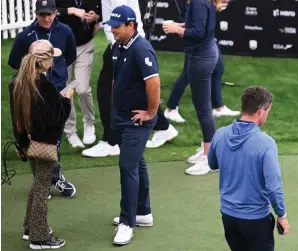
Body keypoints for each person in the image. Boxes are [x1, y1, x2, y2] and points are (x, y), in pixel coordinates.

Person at [81, 0, 178, 156]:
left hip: (125, 43)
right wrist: (98, 18)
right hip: (120, 42)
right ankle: (163, 127)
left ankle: (112, 141)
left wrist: (117, 47)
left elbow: (123, 20)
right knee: (129, 89)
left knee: (108, 90)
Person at [103, 5, 160, 245]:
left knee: (127, 166)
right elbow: (118, 77)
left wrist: (151, 112)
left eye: (117, 26)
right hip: (124, 116)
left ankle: (128, 222)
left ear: (131, 25)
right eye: (111, 26)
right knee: (137, 162)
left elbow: (154, 83)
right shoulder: (119, 46)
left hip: (137, 120)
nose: (112, 30)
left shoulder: (141, 49)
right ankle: (143, 212)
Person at [8, 0, 77, 198]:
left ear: (55, 12)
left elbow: (69, 56)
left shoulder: (65, 31)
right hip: (34, 92)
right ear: (36, 14)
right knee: (36, 135)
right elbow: (14, 62)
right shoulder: (26, 36)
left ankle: (51, 177)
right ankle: (44, 181)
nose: (45, 18)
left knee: (54, 134)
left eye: (49, 14)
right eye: (41, 14)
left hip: (56, 88)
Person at [208, 86, 290, 251]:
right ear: (261, 110)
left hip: (228, 216)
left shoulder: (220, 134)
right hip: (256, 219)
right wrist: (282, 215)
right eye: (268, 110)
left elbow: (212, 164)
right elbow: (273, 187)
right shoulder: (266, 143)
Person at [9, 39, 72, 249]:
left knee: (37, 185)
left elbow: (16, 119)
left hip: (27, 143)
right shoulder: (46, 87)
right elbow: (56, 120)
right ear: (45, 61)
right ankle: (39, 236)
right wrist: (66, 100)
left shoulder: (17, 82)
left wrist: (20, 145)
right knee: (42, 189)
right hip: (43, 145)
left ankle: (30, 228)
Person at [163, 0, 220, 175]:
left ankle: (210, 157)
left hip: (202, 57)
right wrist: (180, 25)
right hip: (202, 55)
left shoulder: (198, 2)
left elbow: (198, 32)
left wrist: (176, 29)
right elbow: (197, 24)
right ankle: (207, 148)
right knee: (202, 107)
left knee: (203, 109)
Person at [55, 0, 102, 148]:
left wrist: (96, 17)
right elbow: (49, 11)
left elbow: (101, 14)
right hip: (62, 47)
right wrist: (72, 10)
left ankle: (89, 124)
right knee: (66, 89)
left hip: (84, 46)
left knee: (82, 88)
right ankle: (70, 131)